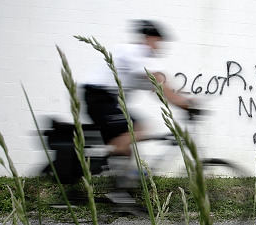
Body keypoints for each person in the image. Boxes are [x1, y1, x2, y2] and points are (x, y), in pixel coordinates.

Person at [81, 20, 191, 208]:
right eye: (158, 41)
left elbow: (159, 87)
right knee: (138, 129)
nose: (159, 46)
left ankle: (120, 191)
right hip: (100, 98)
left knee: (129, 143)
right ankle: (100, 171)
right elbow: (159, 84)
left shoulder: (138, 57)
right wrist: (188, 105)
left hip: (107, 100)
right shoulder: (137, 52)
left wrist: (178, 99)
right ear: (150, 38)